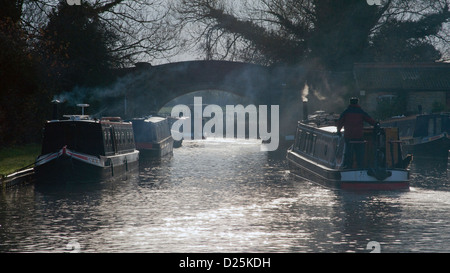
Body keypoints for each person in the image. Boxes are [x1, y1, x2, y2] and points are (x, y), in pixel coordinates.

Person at [336, 97, 377, 169]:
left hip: (348, 136)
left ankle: (348, 166)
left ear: (350, 103)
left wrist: (338, 131)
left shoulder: (346, 112)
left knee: (349, 152)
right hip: (358, 136)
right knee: (359, 153)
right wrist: (376, 124)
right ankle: (360, 167)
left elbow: (340, 122)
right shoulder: (360, 112)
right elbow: (369, 120)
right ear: (357, 103)